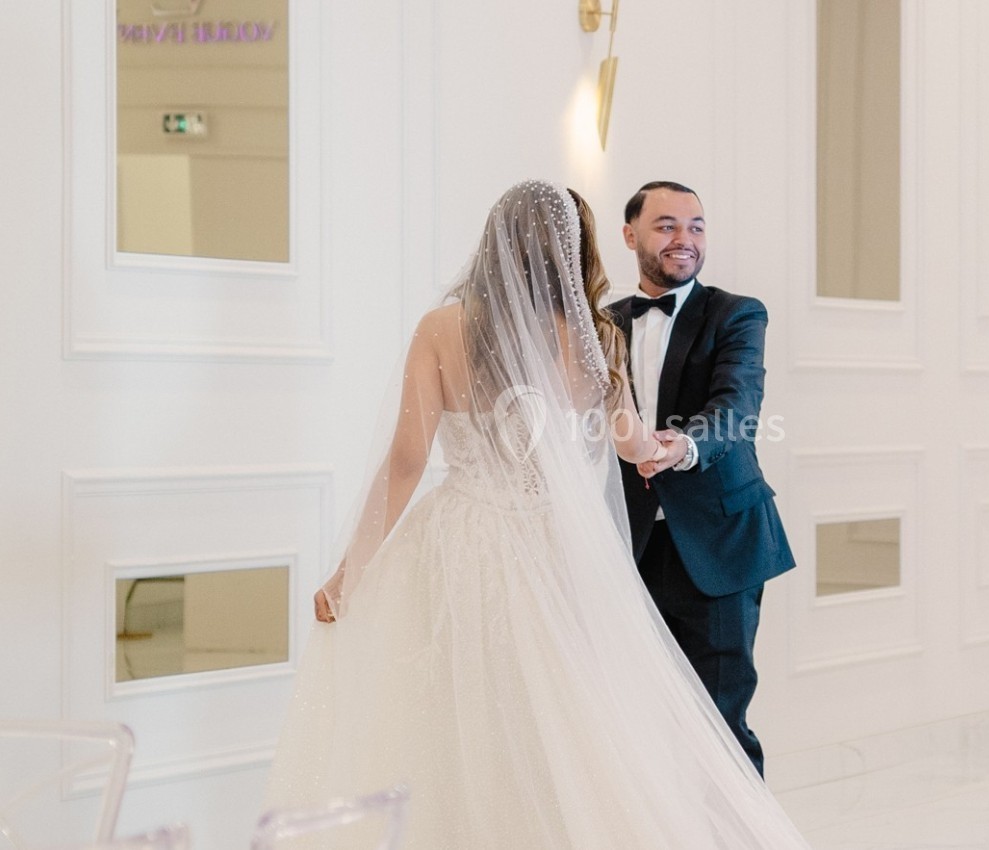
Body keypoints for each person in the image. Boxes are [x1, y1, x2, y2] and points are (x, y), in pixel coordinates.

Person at [262, 180, 811, 848]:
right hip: (557, 552)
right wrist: (659, 449)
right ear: (579, 249)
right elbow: (628, 439)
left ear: (495, 241)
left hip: (458, 542)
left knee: (448, 716)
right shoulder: (593, 335)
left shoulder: (442, 329)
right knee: (563, 721)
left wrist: (349, 573)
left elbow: (406, 461)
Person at [610, 181, 795, 777]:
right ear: (630, 234)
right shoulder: (601, 323)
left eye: (696, 226)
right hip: (627, 548)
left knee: (719, 724)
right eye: (666, 226)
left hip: (719, 541)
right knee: (634, 718)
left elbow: (738, 408)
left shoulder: (737, 313)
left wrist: (681, 446)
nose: (684, 239)